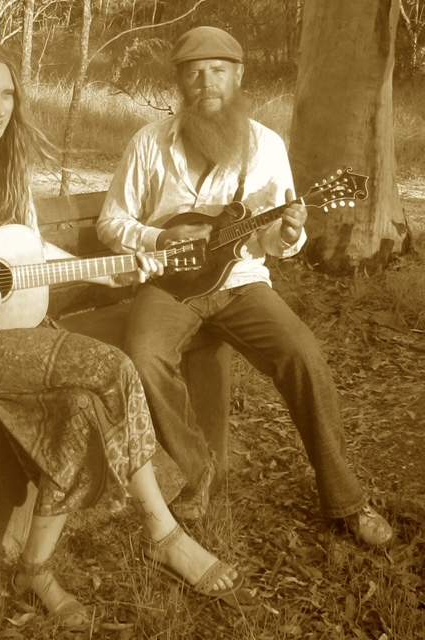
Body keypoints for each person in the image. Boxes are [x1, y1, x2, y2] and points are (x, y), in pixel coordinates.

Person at [0, 40, 244, 629]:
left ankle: (36, 568)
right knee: (112, 367)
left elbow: (27, 254)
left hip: (0, 333)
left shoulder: (8, 164)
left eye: (7, 94)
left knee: (82, 406)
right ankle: (163, 530)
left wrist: (109, 270)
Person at [97, 26, 393, 546]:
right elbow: (111, 222)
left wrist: (291, 232)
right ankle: (200, 468)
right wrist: (158, 234)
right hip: (170, 284)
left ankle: (346, 497)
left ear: (238, 76)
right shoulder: (148, 143)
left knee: (304, 356)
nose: (205, 81)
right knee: (144, 354)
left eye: (217, 71)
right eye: (193, 72)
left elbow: (279, 241)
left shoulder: (266, 146)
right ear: (180, 82)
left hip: (241, 283)